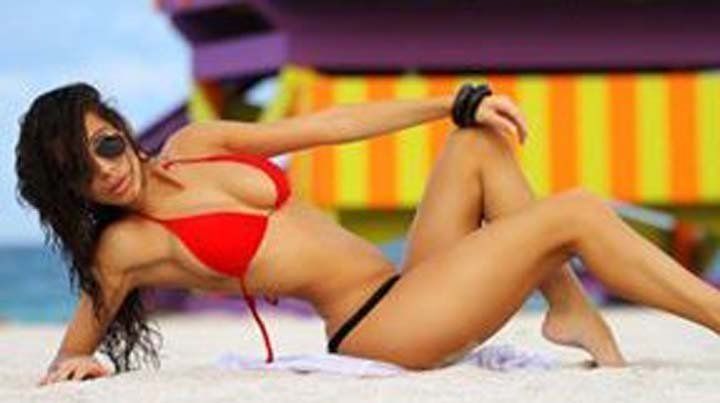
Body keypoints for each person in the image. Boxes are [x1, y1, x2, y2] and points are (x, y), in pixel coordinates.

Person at [16, 83, 718, 386]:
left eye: (105, 145)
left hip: (404, 284)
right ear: (68, 192)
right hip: (378, 327)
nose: (105, 171)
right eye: (80, 172)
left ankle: (566, 308)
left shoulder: (198, 143)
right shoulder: (127, 245)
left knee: (476, 140)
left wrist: (450, 102)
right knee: (578, 211)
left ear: (120, 126)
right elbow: (78, 340)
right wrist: (79, 361)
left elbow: (328, 126)